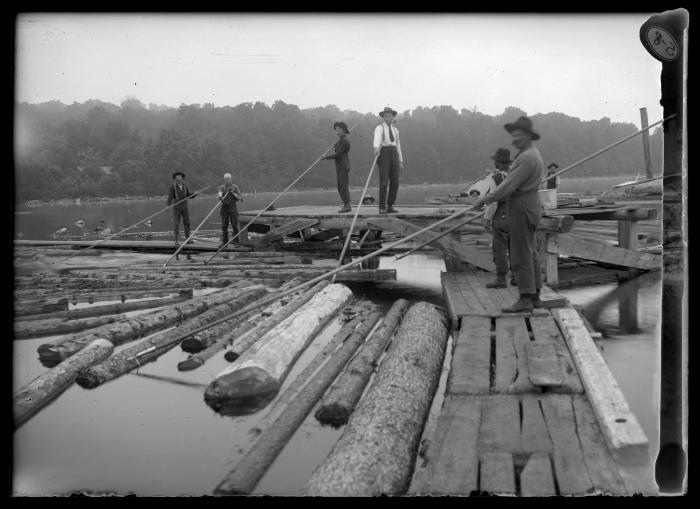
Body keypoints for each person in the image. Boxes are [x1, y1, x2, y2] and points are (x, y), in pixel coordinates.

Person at [470, 116, 545, 313]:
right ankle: (535, 295)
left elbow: (506, 187)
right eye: (513, 134)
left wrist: (482, 200)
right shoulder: (530, 154)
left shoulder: (527, 157)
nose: (515, 138)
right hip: (529, 206)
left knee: (521, 255)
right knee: (530, 252)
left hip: (522, 208)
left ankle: (525, 298)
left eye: (519, 134)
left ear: (528, 136)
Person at [482, 148, 512, 288]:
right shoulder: (515, 174)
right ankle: (517, 277)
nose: (494, 162)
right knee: (515, 248)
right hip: (516, 215)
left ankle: (501, 279)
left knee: (499, 248)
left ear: (498, 162)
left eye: (495, 161)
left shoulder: (498, 178)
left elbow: (493, 200)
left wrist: (487, 218)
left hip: (502, 217)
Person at [373, 107, 404, 214]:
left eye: (390, 115)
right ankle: (382, 207)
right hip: (384, 153)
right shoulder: (379, 128)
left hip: (394, 153)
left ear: (393, 117)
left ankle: (390, 205)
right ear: (383, 117)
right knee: (384, 182)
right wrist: (376, 148)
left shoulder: (396, 130)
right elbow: (377, 139)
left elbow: (398, 145)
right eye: (386, 116)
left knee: (395, 182)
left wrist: (400, 160)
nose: (388, 117)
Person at [322, 121, 352, 213]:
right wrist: (337, 145)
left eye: (338, 130)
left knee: (343, 186)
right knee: (340, 186)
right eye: (336, 130)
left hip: (343, 165)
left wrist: (326, 157)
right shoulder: (341, 141)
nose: (337, 132)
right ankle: (346, 205)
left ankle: (347, 206)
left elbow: (338, 155)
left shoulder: (344, 141)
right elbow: (339, 150)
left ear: (343, 130)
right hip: (340, 165)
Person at [166, 171, 195, 246]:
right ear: (175, 179)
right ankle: (176, 240)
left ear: (182, 177)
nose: (178, 178)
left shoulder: (185, 185)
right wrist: (167, 205)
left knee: (187, 223)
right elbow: (170, 197)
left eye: (179, 177)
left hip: (184, 206)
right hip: (177, 206)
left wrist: (194, 194)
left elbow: (189, 195)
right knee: (176, 224)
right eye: (176, 177)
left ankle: (188, 238)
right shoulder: (173, 186)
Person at [218, 173, 243, 247]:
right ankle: (224, 242)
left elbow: (239, 197)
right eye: (226, 179)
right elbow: (219, 195)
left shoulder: (235, 187)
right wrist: (220, 197)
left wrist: (232, 193)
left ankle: (236, 242)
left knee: (235, 225)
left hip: (233, 207)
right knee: (224, 226)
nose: (227, 180)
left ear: (231, 179)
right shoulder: (222, 187)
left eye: (228, 179)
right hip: (224, 207)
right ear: (224, 180)